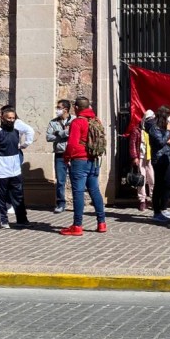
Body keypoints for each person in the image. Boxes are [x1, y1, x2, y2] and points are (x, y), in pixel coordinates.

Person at [58, 96, 107, 236]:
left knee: (78, 192)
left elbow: (72, 144)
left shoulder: (77, 122)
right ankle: (101, 223)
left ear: (77, 107)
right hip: (94, 160)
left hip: (79, 160)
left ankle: (77, 225)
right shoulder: (96, 120)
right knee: (95, 190)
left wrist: (66, 157)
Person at [0, 106, 31, 229]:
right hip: (1, 170)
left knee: (18, 195)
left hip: (15, 169)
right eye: (8, 118)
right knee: (1, 197)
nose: (11, 120)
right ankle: (3, 220)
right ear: (2, 118)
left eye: (13, 118)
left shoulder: (16, 132)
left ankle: (22, 219)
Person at [148, 105, 170, 223]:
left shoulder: (161, 128)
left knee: (168, 183)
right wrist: (168, 132)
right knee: (160, 184)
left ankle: (163, 208)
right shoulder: (154, 128)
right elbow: (161, 142)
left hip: (166, 158)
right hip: (158, 159)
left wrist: (167, 135)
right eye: (169, 115)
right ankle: (157, 211)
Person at [46, 99, 74, 214]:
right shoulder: (53, 122)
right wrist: (62, 134)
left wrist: (57, 133)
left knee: (75, 180)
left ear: (65, 109)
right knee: (60, 180)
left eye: (59, 108)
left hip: (73, 154)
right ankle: (60, 203)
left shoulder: (74, 120)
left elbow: (75, 133)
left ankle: (77, 203)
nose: (57, 110)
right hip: (60, 154)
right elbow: (48, 137)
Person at [129, 109, 156, 212]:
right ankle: (142, 200)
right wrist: (134, 157)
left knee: (152, 178)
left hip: (150, 157)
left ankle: (153, 198)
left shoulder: (153, 129)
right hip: (141, 157)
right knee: (141, 179)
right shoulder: (137, 130)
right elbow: (132, 144)